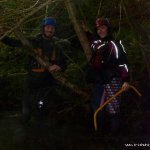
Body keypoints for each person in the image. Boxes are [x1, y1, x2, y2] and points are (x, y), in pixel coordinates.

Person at [0, 17, 68, 124]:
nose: (50, 30)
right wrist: (2, 36)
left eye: (52, 28)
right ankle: (26, 134)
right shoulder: (33, 41)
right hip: (31, 83)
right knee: (26, 113)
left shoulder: (57, 45)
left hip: (47, 85)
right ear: (43, 28)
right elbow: (14, 43)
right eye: (48, 27)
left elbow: (64, 63)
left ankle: (44, 135)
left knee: (44, 113)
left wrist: (59, 67)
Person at [86, 17, 130, 134]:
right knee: (97, 106)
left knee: (113, 107)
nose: (101, 30)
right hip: (99, 80)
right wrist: (86, 31)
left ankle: (114, 135)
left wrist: (126, 80)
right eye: (98, 29)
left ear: (108, 29)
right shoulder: (97, 43)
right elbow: (92, 41)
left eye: (103, 28)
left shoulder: (115, 44)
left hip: (113, 79)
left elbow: (123, 62)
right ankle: (99, 133)